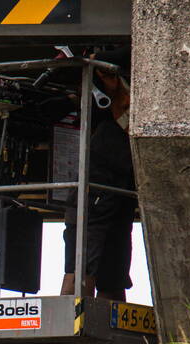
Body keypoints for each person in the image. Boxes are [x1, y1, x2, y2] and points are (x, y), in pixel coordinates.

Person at [60, 47, 137, 302]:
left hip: (115, 197)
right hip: (97, 195)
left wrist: (95, 62)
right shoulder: (104, 125)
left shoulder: (115, 131)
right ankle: (73, 319)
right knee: (81, 270)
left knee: (110, 275)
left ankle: (93, 320)